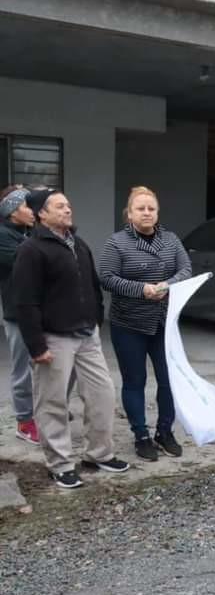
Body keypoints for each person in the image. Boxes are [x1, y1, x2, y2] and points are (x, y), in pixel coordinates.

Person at [12, 189, 129, 489]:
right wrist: (36, 345)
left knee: (102, 395)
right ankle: (60, 464)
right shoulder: (33, 249)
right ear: (42, 214)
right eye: (59, 206)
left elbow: (92, 284)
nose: (67, 209)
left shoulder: (78, 243)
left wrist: (96, 318)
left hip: (86, 336)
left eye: (68, 205)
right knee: (52, 403)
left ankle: (99, 454)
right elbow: (25, 302)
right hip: (54, 339)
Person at [99, 187, 192, 462]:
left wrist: (167, 285)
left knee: (168, 380)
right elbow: (106, 277)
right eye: (140, 209)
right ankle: (141, 435)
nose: (147, 213)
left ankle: (165, 431)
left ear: (157, 212)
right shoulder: (116, 243)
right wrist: (142, 290)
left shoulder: (171, 239)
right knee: (135, 380)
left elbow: (185, 269)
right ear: (129, 214)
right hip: (129, 323)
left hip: (164, 323)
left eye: (151, 208)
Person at [0, 186, 38, 445]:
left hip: (40, 310)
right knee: (23, 369)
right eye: (28, 206)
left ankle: (45, 411)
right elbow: (30, 263)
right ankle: (25, 422)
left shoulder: (29, 233)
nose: (34, 211)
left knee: (49, 365)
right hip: (17, 314)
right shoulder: (3, 236)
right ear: (13, 211)